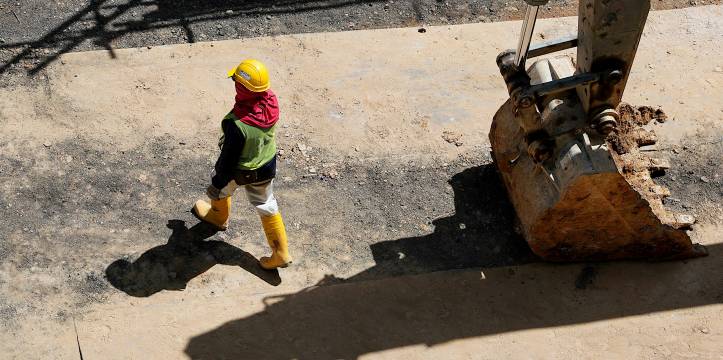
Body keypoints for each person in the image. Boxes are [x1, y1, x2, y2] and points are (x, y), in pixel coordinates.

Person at [192, 59, 292, 270]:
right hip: (266, 164)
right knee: (267, 205)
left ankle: (218, 217)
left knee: (220, 190)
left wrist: (217, 182)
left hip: (241, 171)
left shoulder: (236, 125)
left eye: (236, 81)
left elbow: (227, 161)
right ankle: (281, 253)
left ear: (242, 87)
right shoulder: (270, 102)